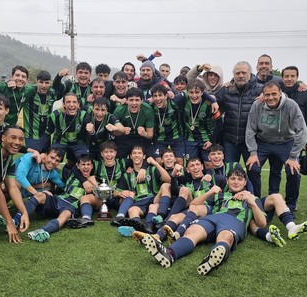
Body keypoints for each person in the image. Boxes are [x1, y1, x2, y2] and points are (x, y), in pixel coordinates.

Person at [137, 167, 266, 275]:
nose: (236, 182)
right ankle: (170, 254)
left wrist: (252, 204)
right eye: (232, 179)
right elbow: (194, 205)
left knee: (225, 236)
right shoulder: (220, 195)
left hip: (234, 221)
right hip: (213, 217)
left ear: (245, 182)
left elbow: (262, 223)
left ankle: (213, 257)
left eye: (239, 179)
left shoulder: (252, 198)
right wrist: (209, 192)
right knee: (193, 231)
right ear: (227, 181)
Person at [245, 81, 307, 198]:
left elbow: (302, 131)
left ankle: (291, 204)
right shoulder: (257, 105)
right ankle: (255, 199)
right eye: (267, 95)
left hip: (285, 142)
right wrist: (253, 153)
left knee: (293, 171)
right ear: (263, 95)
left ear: (280, 93)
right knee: (252, 168)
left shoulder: (291, 105)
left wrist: (293, 156)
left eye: (274, 94)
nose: (271, 97)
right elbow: (250, 130)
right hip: (263, 142)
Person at [268, 66, 307, 212]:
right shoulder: (276, 91)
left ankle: (291, 203)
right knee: (275, 170)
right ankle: (273, 199)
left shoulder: (305, 92)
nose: (289, 79)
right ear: (281, 77)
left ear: (297, 77)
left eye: (292, 76)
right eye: (286, 76)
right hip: (276, 139)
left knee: (293, 172)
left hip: (295, 140)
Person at [26, 154, 97, 242]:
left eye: (88, 164)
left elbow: (99, 198)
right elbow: (58, 169)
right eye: (83, 164)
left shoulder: (94, 180)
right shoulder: (70, 174)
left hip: (71, 206)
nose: (86, 167)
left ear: (92, 166)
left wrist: (94, 184)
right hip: (58, 199)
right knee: (40, 195)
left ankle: (42, 231)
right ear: (78, 166)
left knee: (64, 216)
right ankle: (16, 220)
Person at [110, 145, 171, 232]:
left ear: (144, 156)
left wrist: (156, 163)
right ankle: (140, 227)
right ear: (130, 156)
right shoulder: (127, 174)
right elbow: (116, 192)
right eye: (134, 153)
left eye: (139, 153)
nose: (137, 155)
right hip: (138, 202)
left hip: (153, 199)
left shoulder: (152, 169)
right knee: (132, 210)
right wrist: (121, 193)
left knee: (164, 188)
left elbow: (168, 180)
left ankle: (150, 225)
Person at [216, 61, 263, 164]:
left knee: (253, 171)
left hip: (251, 140)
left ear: (250, 74)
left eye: (243, 72)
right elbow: (213, 101)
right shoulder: (226, 90)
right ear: (233, 75)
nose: (241, 76)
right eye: (237, 73)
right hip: (230, 140)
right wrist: (212, 101)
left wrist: (266, 95)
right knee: (230, 170)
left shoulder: (260, 89)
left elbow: (281, 96)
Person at [46, 92, 90, 167]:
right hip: (60, 142)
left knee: (85, 161)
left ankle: (78, 176)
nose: (71, 105)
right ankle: (50, 177)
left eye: (74, 102)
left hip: (78, 143)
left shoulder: (84, 115)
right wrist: (46, 151)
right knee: (52, 159)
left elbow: (89, 134)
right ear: (63, 104)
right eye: (68, 102)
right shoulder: (55, 115)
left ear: (78, 105)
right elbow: (47, 133)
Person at [22, 70, 62, 152]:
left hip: (46, 135)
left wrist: (59, 77)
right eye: (41, 82)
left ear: (50, 83)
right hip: (32, 135)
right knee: (34, 159)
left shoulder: (52, 94)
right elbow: (19, 90)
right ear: (37, 82)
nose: (44, 86)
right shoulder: (29, 93)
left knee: (45, 161)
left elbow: (60, 90)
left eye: (47, 83)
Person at [112, 87, 155, 158]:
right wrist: (122, 131)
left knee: (151, 157)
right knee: (117, 158)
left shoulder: (148, 110)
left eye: (137, 100)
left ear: (141, 100)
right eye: (131, 100)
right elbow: (112, 132)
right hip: (124, 138)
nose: (134, 103)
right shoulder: (119, 110)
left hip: (141, 138)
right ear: (126, 100)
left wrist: (144, 133)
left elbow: (150, 135)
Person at [150, 83, 185, 165]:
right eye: (155, 96)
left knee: (179, 161)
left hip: (176, 137)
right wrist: (148, 100)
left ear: (166, 96)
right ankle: (162, 178)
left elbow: (189, 90)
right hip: (160, 138)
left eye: (160, 95)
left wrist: (212, 100)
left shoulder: (174, 102)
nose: (158, 98)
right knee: (158, 162)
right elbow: (138, 102)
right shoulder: (150, 106)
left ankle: (179, 178)